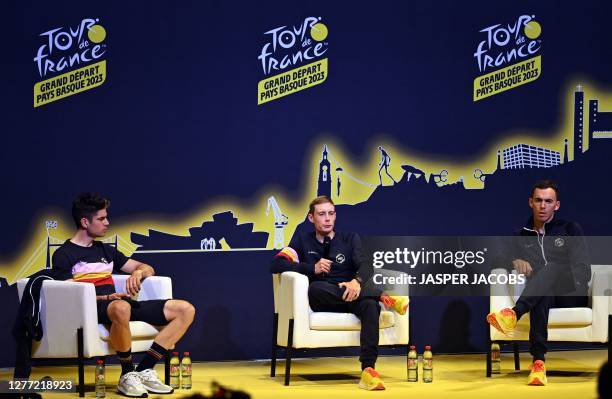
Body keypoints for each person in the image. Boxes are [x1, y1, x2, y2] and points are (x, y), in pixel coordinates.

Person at [52, 193, 195, 397]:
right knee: (121, 306)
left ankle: (145, 369)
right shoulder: (64, 254)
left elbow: (147, 267)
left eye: (106, 217)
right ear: (85, 222)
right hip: (93, 308)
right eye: (101, 219)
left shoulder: (106, 251)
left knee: (184, 310)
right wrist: (107, 298)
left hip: (120, 305)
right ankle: (127, 374)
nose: (107, 223)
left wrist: (139, 272)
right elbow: (68, 295)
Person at [270, 196, 407, 390]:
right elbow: (276, 264)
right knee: (315, 288)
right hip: (324, 297)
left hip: (353, 296)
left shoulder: (350, 239)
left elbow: (366, 266)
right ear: (311, 218)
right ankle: (382, 295)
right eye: (322, 214)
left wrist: (356, 282)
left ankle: (368, 371)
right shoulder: (302, 240)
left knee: (370, 306)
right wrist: (312, 268)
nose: (327, 218)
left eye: (331, 214)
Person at [487, 180, 590, 386]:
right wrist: (513, 260)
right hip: (544, 293)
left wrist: (560, 273)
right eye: (538, 200)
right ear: (530, 202)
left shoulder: (569, 229)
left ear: (556, 205)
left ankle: (514, 313)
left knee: (550, 270)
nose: (543, 206)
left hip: (572, 292)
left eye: (548, 201)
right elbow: (496, 260)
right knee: (542, 292)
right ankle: (538, 363)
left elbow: (583, 270)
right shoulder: (520, 235)